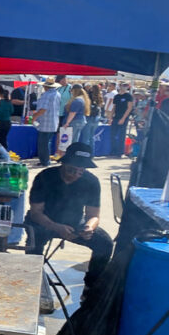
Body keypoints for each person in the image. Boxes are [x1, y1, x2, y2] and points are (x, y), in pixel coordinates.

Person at [25, 143, 113, 301]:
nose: (76, 174)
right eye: (72, 169)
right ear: (63, 163)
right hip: (44, 221)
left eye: (81, 171)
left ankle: (90, 287)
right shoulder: (45, 177)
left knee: (105, 243)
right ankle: (33, 284)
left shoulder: (91, 182)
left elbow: (94, 215)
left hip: (74, 224)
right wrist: (56, 227)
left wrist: (89, 227)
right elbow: (36, 212)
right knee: (33, 245)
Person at [31, 81, 62, 166]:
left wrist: (34, 117)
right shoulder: (57, 94)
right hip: (53, 121)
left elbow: (43, 109)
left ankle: (44, 161)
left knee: (43, 144)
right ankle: (45, 161)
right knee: (47, 142)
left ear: (45, 86)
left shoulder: (46, 95)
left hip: (45, 122)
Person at [62, 83, 91, 152]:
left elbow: (73, 113)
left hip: (75, 121)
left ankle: (71, 155)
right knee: (75, 139)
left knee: (71, 140)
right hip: (80, 121)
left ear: (74, 91)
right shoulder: (83, 99)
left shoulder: (77, 100)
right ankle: (73, 154)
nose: (71, 92)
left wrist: (67, 123)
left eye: (71, 90)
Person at [108, 81, 134, 158]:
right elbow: (114, 107)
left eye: (125, 85)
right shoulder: (116, 96)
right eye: (123, 85)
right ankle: (113, 151)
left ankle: (120, 152)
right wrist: (110, 117)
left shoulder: (128, 96)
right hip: (116, 117)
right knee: (113, 135)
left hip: (124, 117)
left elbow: (129, 108)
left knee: (121, 135)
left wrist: (123, 118)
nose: (124, 87)